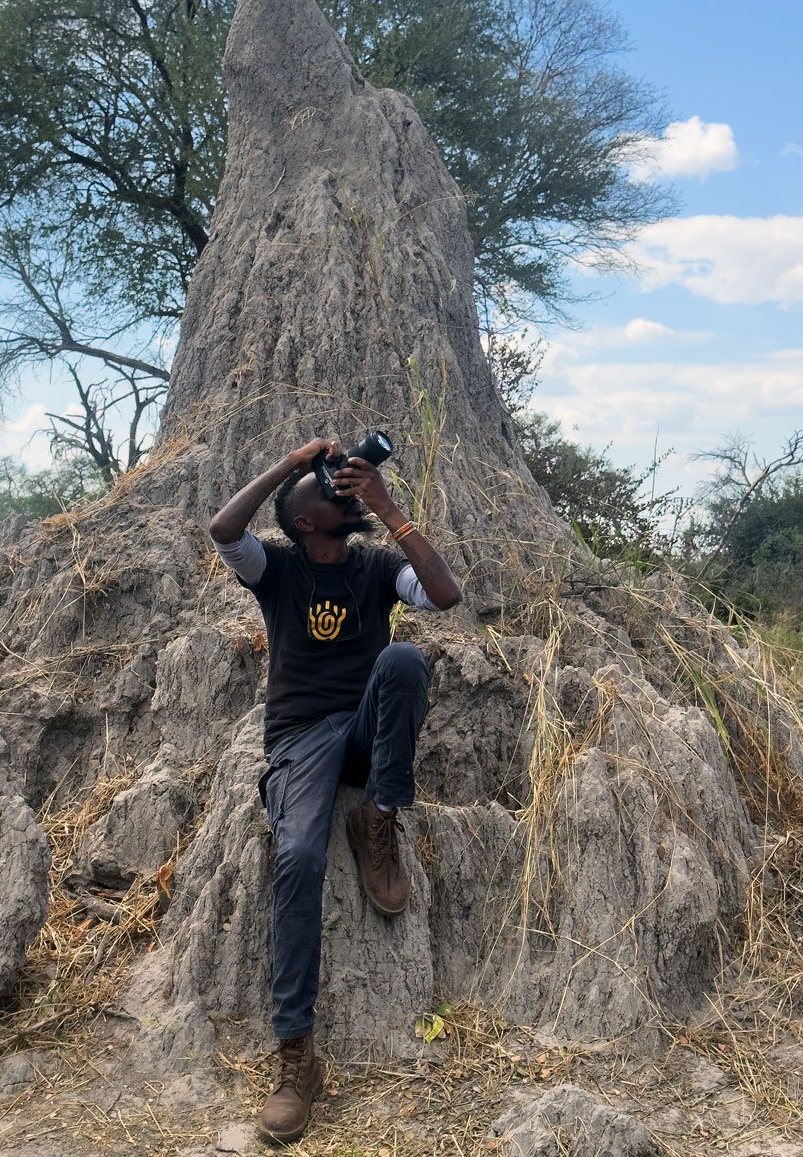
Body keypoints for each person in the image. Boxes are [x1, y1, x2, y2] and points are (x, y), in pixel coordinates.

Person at [209, 437, 462, 1144]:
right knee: (297, 856)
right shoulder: (276, 569)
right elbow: (224, 528)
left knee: (404, 658)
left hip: (361, 733)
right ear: (303, 519)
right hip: (299, 739)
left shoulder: (377, 565)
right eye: (328, 490)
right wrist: (291, 464)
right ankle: (297, 1058)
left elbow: (445, 595)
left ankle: (379, 814)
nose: (342, 491)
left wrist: (388, 504)